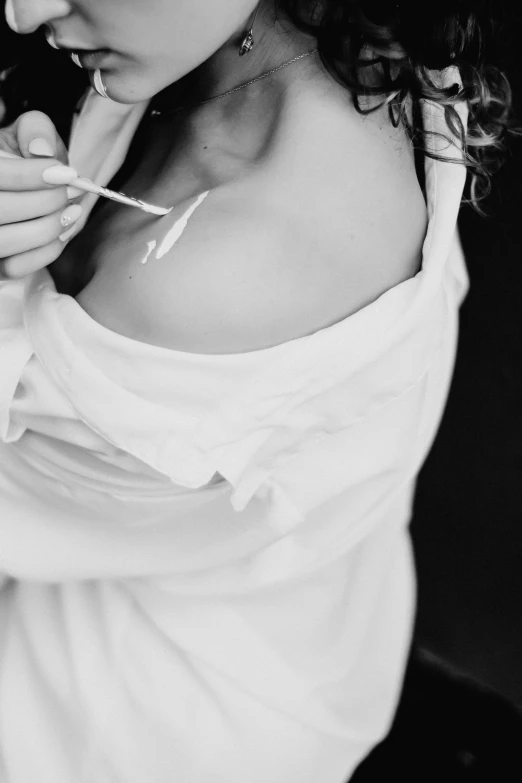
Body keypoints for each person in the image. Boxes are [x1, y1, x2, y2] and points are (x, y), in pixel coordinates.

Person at [0, 1, 515, 781]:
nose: (23, 8)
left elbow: (18, 503)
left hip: (136, 713)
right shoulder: (344, 41)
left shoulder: (226, 271)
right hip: (301, 595)